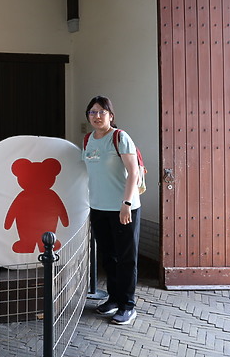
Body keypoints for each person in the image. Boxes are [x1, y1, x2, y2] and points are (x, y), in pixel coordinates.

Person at [82, 95, 140, 326]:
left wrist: (126, 204)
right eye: (92, 112)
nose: (97, 116)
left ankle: (128, 305)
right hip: (98, 207)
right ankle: (114, 299)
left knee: (126, 258)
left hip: (123, 208)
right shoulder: (88, 140)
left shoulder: (120, 137)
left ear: (111, 116)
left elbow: (133, 172)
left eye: (101, 112)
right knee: (109, 256)